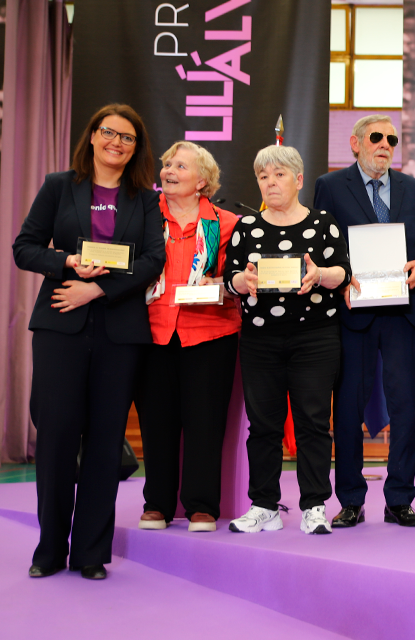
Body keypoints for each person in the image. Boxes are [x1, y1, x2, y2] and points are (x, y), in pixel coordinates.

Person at [13, 104, 164, 579]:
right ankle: (49, 551)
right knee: (56, 439)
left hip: (120, 331)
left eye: (128, 138)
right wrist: (67, 267)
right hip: (61, 325)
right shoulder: (60, 185)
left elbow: (152, 260)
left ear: (136, 148)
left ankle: (91, 553)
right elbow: (25, 247)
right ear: (93, 137)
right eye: (109, 133)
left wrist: (96, 287)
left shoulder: (143, 198)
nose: (117, 143)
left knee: (103, 444)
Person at [313, 115, 415, 529]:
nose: (386, 144)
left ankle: (399, 499)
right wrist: (341, 277)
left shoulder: (413, 189)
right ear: (355, 143)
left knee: (405, 409)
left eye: (392, 139)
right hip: (353, 313)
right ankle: (350, 500)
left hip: (404, 314)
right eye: (376, 137)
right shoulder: (329, 186)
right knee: (346, 409)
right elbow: (321, 245)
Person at [225, 145, 351, 535]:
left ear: (298, 180)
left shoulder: (323, 223)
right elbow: (230, 278)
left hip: (315, 338)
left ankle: (315, 505)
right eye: (263, 176)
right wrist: (241, 281)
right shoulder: (246, 227)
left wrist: (320, 275)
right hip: (260, 339)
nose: (270, 182)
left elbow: (343, 272)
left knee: (313, 423)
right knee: (263, 426)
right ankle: (264, 504)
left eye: (279, 175)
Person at [135, 141, 240, 533]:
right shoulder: (144, 215)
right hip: (152, 332)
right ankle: (157, 503)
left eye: (180, 165)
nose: (169, 170)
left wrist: (224, 283)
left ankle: (201, 505)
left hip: (210, 332)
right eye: (166, 164)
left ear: (203, 180)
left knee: (205, 422)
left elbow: (236, 279)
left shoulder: (226, 223)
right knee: (156, 421)